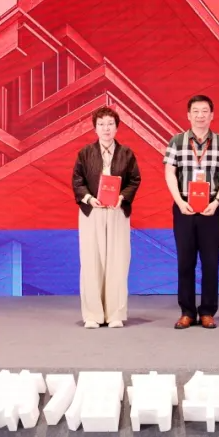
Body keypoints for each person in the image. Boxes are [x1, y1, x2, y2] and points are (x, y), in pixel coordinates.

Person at [164, 95, 219, 330]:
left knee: (210, 262)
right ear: (188, 115)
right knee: (185, 262)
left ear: (212, 115)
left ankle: (207, 311)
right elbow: (169, 172)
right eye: (195, 111)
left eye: (205, 111)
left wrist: (217, 201)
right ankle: (186, 311)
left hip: (212, 208)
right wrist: (179, 201)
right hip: (184, 207)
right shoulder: (177, 141)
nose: (200, 115)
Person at [72, 106, 142, 329]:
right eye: (101, 124)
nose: (106, 128)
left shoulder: (127, 153)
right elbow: (77, 181)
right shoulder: (85, 153)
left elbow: (134, 180)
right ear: (95, 128)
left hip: (117, 212)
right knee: (91, 261)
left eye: (110, 124)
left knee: (117, 261)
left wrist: (122, 197)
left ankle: (115, 314)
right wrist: (89, 198)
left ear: (116, 127)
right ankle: (92, 314)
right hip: (92, 212)